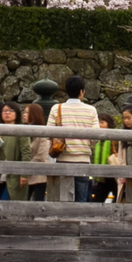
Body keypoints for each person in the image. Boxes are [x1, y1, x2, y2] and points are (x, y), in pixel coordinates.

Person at [47, 75, 100, 204]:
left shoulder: (56, 108)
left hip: (62, 159)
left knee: (62, 199)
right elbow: (96, 137)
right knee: (80, 199)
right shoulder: (91, 110)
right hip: (82, 160)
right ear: (81, 92)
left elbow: (49, 133)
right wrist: (86, 142)